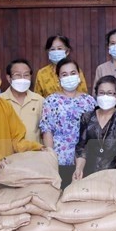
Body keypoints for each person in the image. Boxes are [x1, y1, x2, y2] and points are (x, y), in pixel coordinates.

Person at [39, 58, 96, 187]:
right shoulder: (51, 101)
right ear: (58, 78)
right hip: (60, 159)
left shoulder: (89, 101)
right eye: (64, 74)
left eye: (72, 73)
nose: (69, 77)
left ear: (79, 75)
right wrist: (51, 159)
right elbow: (47, 130)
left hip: (85, 160)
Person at [74, 75, 116, 180]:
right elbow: (81, 147)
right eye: (101, 93)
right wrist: (78, 169)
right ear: (96, 95)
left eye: (110, 93)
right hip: (89, 174)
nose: (105, 96)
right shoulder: (87, 117)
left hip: (113, 175)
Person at [0, 59, 44, 143]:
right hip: (8, 153)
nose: (22, 79)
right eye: (17, 75)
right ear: (9, 78)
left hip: (34, 153)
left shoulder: (39, 100)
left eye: (26, 75)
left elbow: (45, 131)